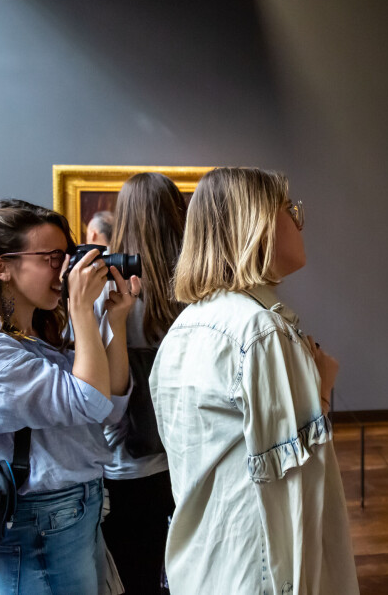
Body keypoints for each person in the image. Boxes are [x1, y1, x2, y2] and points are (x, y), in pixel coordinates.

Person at [150, 167, 359, 593]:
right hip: (256, 568)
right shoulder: (262, 332)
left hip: (207, 561)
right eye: (289, 210)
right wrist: (321, 387)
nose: (299, 223)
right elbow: (294, 497)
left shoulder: (187, 325)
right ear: (258, 222)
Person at [0, 199, 141, 594]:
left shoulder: (32, 338)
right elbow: (90, 400)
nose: (65, 270)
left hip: (75, 509)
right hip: (40, 523)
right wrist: (82, 308)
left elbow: (112, 405)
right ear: (1, 267)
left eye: (66, 256)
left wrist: (112, 320)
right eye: (51, 257)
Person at [98, 174, 185, 594]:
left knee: (133, 577)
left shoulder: (106, 294)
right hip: (185, 457)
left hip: (123, 464)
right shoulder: (195, 293)